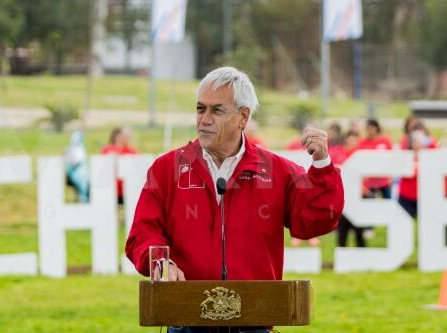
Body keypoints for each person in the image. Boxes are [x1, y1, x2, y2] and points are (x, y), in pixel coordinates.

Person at [125, 67, 344, 333]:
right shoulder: (166, 168)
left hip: (255, 324)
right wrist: (160, 263)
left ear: (243, 117)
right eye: (200, 108)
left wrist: (322, 165)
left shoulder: (277, 171)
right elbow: (142, 233)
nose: (204, 119)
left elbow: (315, 222)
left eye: (216, 110)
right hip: (187, 324)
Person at [333, 130, 366, 247]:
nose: (353, 141)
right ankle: (341, 249)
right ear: (346, 139)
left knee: (358, 224)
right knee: (342, 225)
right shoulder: (337, 152)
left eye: (355, 139)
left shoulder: (360, 154)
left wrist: (363, 189)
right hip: (342, 194)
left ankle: (361, 249)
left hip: (356, 194)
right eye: (351, 138)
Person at [357, 118, 393, 199]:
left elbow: (391, 158)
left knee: (388, 203)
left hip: (384, 180)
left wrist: (391, 176)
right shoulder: (363, 143)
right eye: (367, 128)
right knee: (367, 205)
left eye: (371, 127)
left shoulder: (385, 141)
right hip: (369, 181)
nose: (369, 130)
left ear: (376, 128)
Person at [101, 127, 138, 204]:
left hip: (129, 188)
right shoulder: (108, 149)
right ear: (117, 136)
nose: (128, 137)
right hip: (112, 189)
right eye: (124, 135)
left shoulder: (132, 151)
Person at [64, 131, 90, 203]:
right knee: (82, 192)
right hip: (76, 176)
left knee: (83, 192)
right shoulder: (77, 148)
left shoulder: (78, 149)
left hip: (79, 176)